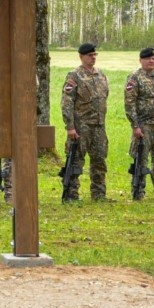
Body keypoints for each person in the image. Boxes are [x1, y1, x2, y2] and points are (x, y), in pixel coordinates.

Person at [61, 42, 111, 202]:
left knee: (99, 161)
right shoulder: (74, 76)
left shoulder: (101, 75)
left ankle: (99, 194)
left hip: (98, 125)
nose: (93, 58)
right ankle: (71, 194)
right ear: (81, 57)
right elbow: (67, 102)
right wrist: (70, 127)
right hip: (81, 126)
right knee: (76, 160)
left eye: (95, 55)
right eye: (90, 55)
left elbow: (105, 97)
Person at [124, 47, 154, 200]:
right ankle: (138, 191)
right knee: (141, 159)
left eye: (153, 58)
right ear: (141, 61)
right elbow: (129, 103)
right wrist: (135, 126)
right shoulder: (135, 78)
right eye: (148, 59)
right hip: (144, 126)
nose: (151, 61)